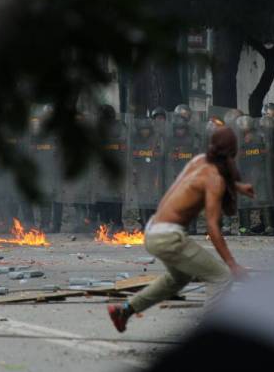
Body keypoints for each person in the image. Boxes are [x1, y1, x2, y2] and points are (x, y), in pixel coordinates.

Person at [107, 127, 254, 333]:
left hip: (153, 231)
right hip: (169, 237)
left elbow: (213, 175)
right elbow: (212, 227)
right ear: (233, 151)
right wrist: (232, 264)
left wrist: (238, 187)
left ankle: (125, 310)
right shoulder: (214, 180)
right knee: (221, 276)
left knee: (179, 278)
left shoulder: (200, 160)